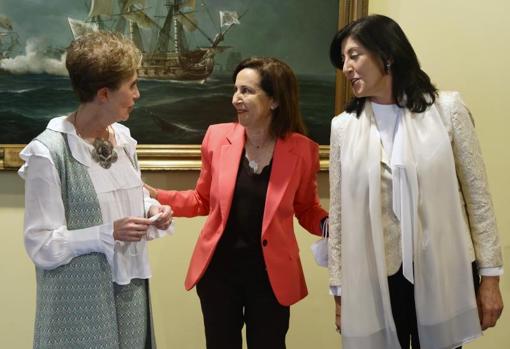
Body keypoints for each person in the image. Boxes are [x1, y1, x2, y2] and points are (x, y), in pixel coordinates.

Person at [327, 14, 504, 349]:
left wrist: (490, 279)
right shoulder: (343, 128)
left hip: (444, 271)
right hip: (375, 277)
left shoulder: (447, 111)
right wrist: (339, 290)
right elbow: (338, 216)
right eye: (343, 59)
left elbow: (478, 200)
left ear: (388, 54)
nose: (346, 67)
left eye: (354, 55)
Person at [144, 57, 328, 349]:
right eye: (236, 89)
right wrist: (156, 196)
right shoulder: (216, 138)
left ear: (275, 101)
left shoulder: (303, 151)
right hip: (219, 275)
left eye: (247, 91)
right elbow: (201, 199)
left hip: (271, 278)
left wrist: (333, 226)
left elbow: (306, 209)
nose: (236, 99)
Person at [18, 31, 173, 349]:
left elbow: (124, 196)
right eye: (131, 86)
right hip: (78, 302)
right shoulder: (48, 152)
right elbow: (42, 245)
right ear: (104, 94)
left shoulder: (125, 139)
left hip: (129, 293)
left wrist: (150, 209)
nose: (138, 94)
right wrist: (107, 233)